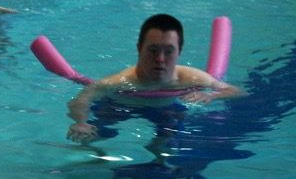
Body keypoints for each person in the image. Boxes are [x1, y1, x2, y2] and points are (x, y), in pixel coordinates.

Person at [66, 14, 244, 166]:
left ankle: (159, 164)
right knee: (92, 135)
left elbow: (237, 91)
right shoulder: (118, 82)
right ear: (139, 49)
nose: (160, 59)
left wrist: (211, 96)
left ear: (179, 52)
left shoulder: (193, 78)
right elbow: (82, 98)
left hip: (165, 109)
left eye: (168, 51)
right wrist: (80, 122)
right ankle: (97, 155)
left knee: (167, 143)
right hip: (120, 105)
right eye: (153, 50)